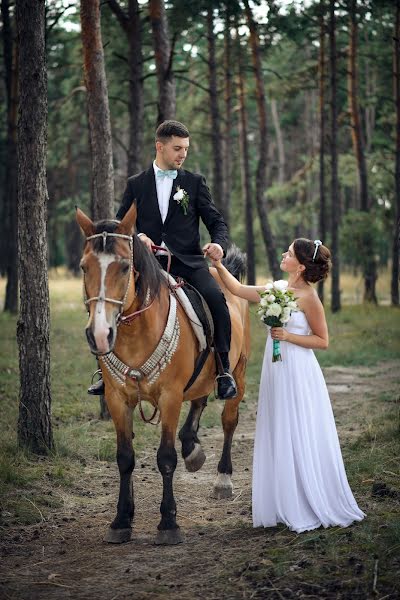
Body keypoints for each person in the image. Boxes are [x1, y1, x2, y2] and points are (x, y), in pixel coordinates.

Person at [212, 238, 365, 533]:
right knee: (278, 425)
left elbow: (323, 340)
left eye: (290, 253)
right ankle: (282, 500)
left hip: (298, 369)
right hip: (275, 367)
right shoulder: (278, 290)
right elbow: (238, 289)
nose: (284, 254)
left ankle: (306, 501)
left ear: (301, 265)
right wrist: (216, 265)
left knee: (298, 426)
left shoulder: (309, 298)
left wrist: (287, 336)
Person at [88, 120, 237, 400]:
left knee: (216, 299)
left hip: (189, 263)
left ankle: (223, 370)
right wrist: (138, 236)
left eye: (186, 149)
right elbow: (122, 226)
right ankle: (102, 369)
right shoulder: (136, 184)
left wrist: (218, 244)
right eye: (177, 148)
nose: (183, 154)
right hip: (146, 265)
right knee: (109, 300)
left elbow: (216, 221)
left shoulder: (194, 183)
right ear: (160, 146)